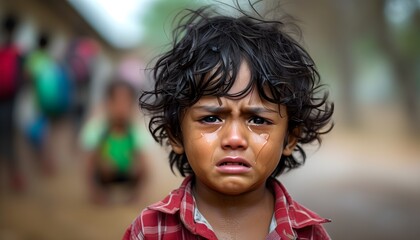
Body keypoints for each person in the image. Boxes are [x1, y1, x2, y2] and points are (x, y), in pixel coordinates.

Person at [124, 3, 334, 239]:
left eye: (257, 120)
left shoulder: (309, 234)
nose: (234, 139)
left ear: (290, 138)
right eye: (211, 118)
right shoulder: (152, 230)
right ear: (176, 134)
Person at [80, 80, 148, 204]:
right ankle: (101, 193)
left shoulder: (135, 130)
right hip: (104, 173)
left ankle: (133, 196)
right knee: (99, 163)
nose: (121, 108)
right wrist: (93, 192)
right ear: (108, 103)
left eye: (125, 103)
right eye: (117, 102)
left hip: (127, 173)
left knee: (141, 167)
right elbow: (89, 164)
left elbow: (145, 165)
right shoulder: (97, 128)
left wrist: (136, 167)